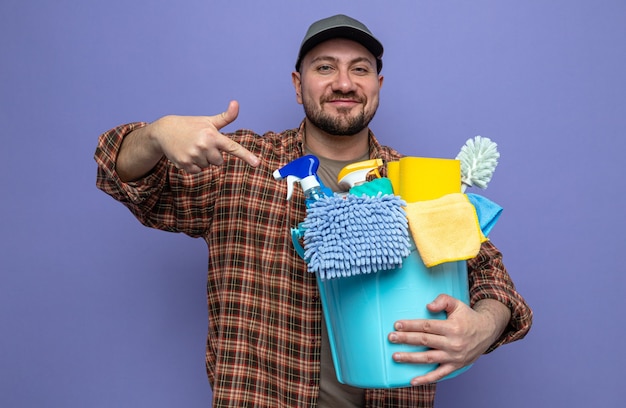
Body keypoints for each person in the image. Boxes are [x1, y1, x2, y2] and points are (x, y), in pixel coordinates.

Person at [95, 14, 532, 408]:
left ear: (379, 83)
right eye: (325, 67)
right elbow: (125, 175)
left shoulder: (418, 183)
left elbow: (494, 279)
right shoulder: (238, 164)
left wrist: (483, 327)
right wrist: (157, 135)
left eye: (360, 69)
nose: (344, 83)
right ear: (296, 83)